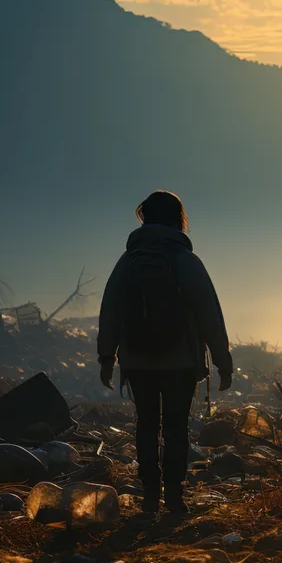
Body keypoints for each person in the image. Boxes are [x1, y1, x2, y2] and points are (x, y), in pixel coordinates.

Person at [97, 191, 232, 516]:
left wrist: (107, 358)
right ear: (178, 220)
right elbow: (209, 314)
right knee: (175, 428)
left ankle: (148, 497)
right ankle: (174, 497)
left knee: (145, 425)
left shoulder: (128, 261)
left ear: (145, 217)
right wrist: (223, 362)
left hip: (137, 360)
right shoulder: (186, 261)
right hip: (180, 362)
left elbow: (110, 311)